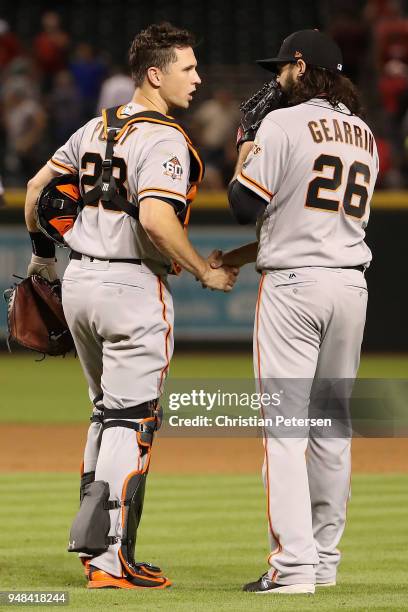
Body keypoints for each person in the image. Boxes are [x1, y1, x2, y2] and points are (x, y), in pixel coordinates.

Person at [24, 22, 238, 591]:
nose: (197, 77)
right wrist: (203, 271)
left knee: (104, 414)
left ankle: (95, 550)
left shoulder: (94, 127)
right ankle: (111, 560)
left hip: (80, 283)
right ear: (154, 73)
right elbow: (155, 219)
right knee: (131, 420)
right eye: (187, 68)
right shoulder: (164, 138)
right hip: (130, 289)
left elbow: (34, 192)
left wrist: (44, 261)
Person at [213, 29, 378, 594]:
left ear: (301, 66)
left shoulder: (281, 124)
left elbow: (243, 205)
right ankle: (324, 561)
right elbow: (311, 219)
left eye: (281, 69)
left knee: (284, 433)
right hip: (350, 288)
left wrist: (246, 137)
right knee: (333, 430)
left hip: (295, 290)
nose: (275, 79)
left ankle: (292, 569)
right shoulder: (364, 135)